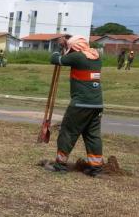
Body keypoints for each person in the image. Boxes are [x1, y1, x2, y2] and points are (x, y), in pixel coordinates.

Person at [44, 36, 104, 177]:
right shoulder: (96, 56)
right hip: (97, 104)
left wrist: (59, 47)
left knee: (67, 132)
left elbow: (55, 59)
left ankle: (60, 165)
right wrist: (66, 47)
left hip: (81, 104)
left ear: (75, 47)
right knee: (92, 136)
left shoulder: (78, 57)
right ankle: (96, 169)